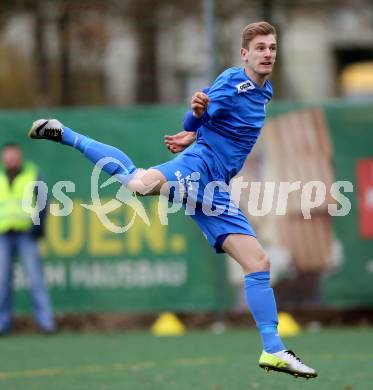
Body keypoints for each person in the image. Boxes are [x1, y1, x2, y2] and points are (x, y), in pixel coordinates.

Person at [28, 21, 316, 378]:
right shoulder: (234, 82)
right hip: (200, 167)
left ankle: (273, 350)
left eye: (272, 48)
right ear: (245, 54)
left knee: (258, 263)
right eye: (260, 48)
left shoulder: (264, 91)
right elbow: (199, 112)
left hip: (214, 188)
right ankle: (65, 133)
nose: (267, 53)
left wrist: (194, 133)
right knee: (138, 184)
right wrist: (195, 118)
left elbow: (220, 126)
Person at [0, 143, 55, 334]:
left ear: (20, 156)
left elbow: (42, 201)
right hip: (3, 235)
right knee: (1, 281)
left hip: (26, 234)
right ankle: (2, 324)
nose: (11, 159)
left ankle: (46, 323)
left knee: (35, 278)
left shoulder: (32, 173)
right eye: (7, 156)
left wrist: (38, 227)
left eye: (14, 155)